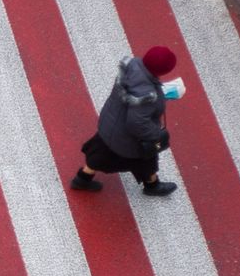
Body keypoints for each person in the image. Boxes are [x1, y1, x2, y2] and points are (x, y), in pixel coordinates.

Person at [70, 46, 179, 197]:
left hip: (110, 124)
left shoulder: (131, 68)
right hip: (127, 138)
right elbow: (137, 124)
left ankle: (83, 178)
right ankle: (152, 185)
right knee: (147, 159)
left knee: (100, 152)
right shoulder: (147, 95)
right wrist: (156, 134)